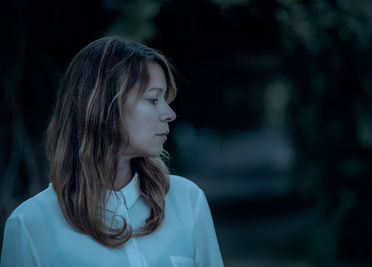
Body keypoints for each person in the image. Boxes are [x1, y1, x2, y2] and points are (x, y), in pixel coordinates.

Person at [0, 36, 224, 267]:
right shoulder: (29, 224)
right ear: (103, 107)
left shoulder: (187, 199)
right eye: (153, 99)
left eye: (165, 99)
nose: (169, 114)